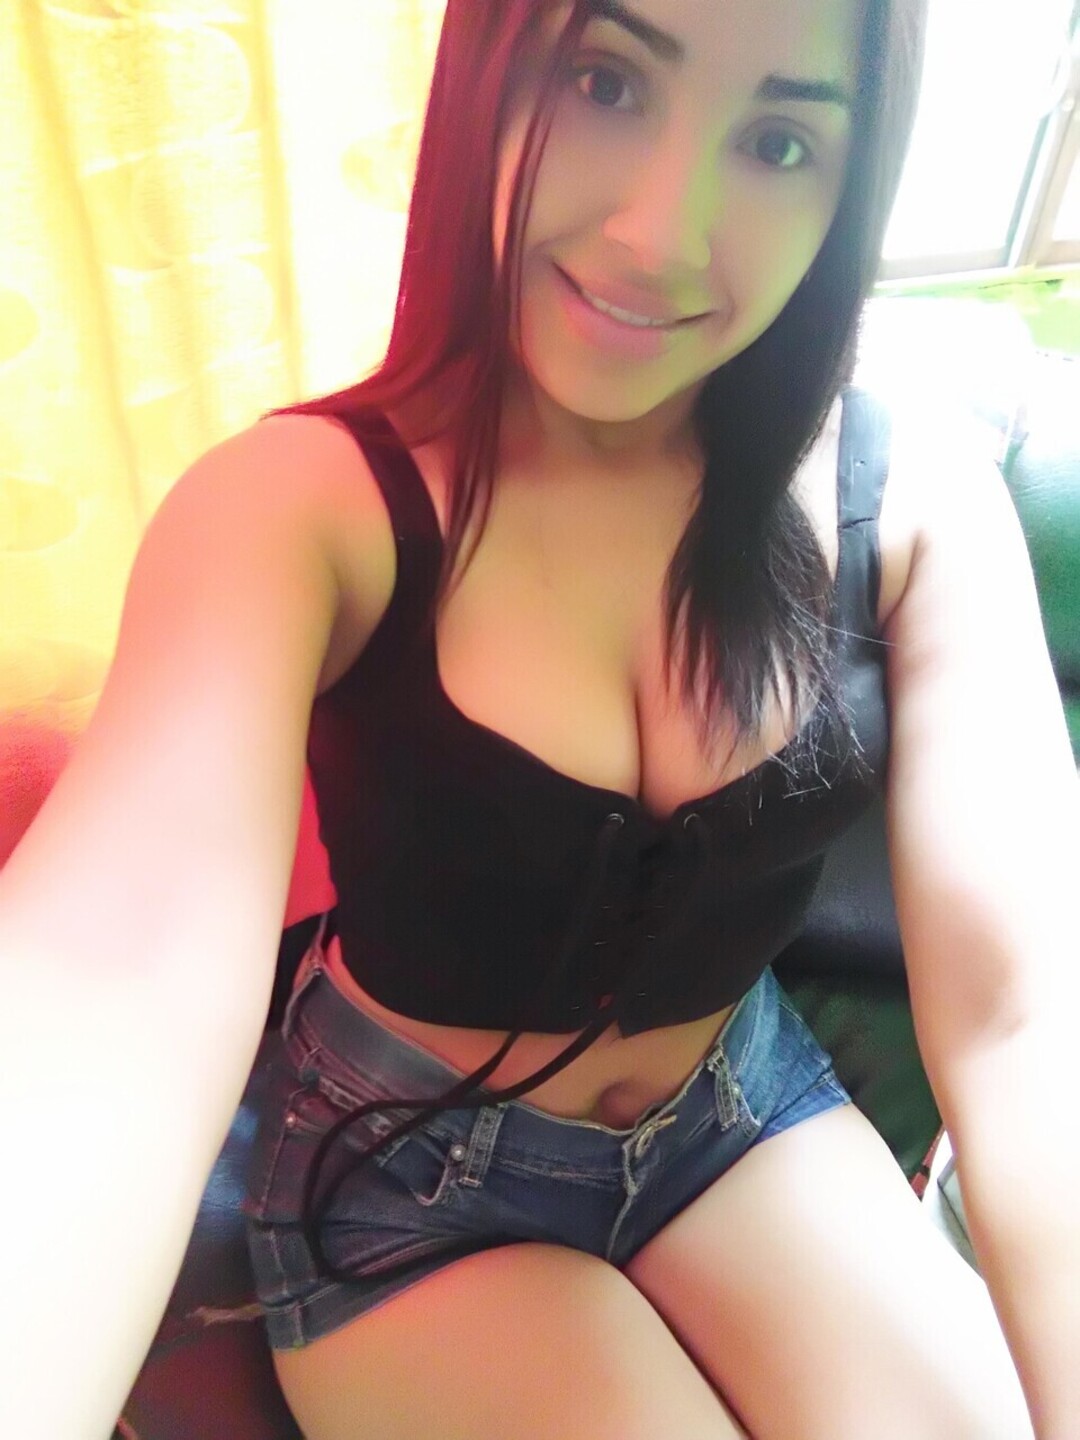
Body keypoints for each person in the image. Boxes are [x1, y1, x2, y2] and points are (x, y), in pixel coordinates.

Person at [2, 0, 1077, 1436]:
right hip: (407, 1183)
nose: (662, 233)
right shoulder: (304, 509)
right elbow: (107, 989)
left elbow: (1028, 1010)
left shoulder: (916, 502)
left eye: (777, 140)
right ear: (487, 71)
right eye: (605, 80)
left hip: (735, 1113)